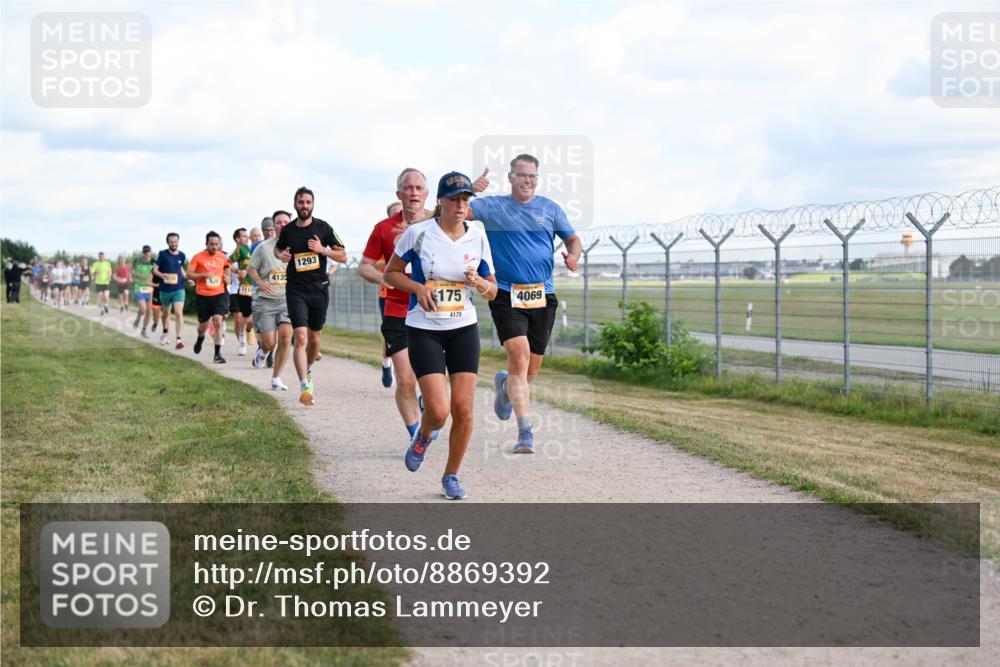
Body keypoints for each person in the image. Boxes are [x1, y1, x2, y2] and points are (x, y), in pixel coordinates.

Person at [384, 171, 497, 500]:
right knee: (438, 410)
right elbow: (390, 273)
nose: (461, 206)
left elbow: (492, 291)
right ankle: (423, 436)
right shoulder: (419, 234)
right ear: (441, 202)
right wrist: (417, 287)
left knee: (464, 409)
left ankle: (451, 476)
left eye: (465, 200)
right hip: (424, 330)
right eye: (454, 199)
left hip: (464, 327)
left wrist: (480, 283)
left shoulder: (477, 236)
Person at [469, 154, 583, 454]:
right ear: (511, 177)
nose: (528, 181)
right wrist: (471, 189)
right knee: (518, 360)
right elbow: (453, 211)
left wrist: (574, 256)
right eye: (522, 175)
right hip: (506, 294)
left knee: (529, 373)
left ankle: (506, 387)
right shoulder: (493, 207)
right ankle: (525, 433)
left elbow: (573, 239)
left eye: (533, 176)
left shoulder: (550, 209)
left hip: (542, 296)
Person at [359, 172, 432, 440]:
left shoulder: (439, 223)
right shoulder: (383, 228)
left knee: (431, 379)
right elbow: (364, 266)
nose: (413, 192)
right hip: (396, 310)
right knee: (405, 379)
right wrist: (385, 278)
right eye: (407, 188)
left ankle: (430, 409)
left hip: (434, 312)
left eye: (418, 188)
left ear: (426, 193)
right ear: (398, 194)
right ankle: (417, 436)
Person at [274, 186, 346, 406]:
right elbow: (278, 249)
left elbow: (342, 255)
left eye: (307, 202)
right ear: (294, 204)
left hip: (319, 289)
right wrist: (282, 254)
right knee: (301, 337)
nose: (304, 206)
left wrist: (322, 250)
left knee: (314, 338)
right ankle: (304, 384)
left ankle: (310, 368)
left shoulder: (324, 228)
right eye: (300, 202)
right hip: (295, 289)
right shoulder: (288, 230)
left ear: (313, 204)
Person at [248, 210, 293, 389]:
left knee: (286, 338)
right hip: (265, 301)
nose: (282, 225)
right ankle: (263, 352)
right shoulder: (263, 248)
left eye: (286, 222)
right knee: (269, 342)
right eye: (279, 222)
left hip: (287, 300)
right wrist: (259, 282)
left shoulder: (297, 246)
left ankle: (276, 378)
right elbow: (251, 269)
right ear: (273, 226)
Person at [188, 231, 231, 363]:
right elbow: (189, 274)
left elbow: (227, 267)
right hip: (203, 295)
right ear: (206, 244)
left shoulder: (223, 257)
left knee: (218, 320)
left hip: (219, 294)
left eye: (216, 244)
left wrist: (227, 276)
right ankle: (200, 338)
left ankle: (217, 354)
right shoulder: (197, 257)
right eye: (211, 244)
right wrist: (203, 275)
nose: (214, 246)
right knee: (203, 326)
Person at [152, 233, 187, 349]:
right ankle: (165, 332)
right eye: (171, 242)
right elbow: (155, 270)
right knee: (166, 313)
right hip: (165, 290)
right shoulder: (162, 254)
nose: (174, 243)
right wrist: (162, 275)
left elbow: (181, 270)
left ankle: (179, 339)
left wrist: (188, 278)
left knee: (178, 312)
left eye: (175, 241)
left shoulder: (182, 255)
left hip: (179, 289)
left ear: (178, 241)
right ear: (167, 242)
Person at [229, 227, 255, 355]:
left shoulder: (252, 251)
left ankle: (248, 330)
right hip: (235, 289)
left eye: (248, 236)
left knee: (250, 319)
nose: (247, 238)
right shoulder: (234, 253)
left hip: (250, 289)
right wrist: (237, 271)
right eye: (244, 236)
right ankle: (241, 340)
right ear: (237, 239)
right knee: (238, 317)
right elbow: (225, 264)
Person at [131, 246, 156, 338]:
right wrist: (139, 275)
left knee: (149, 311)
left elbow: (157, 272)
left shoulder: (154, 262)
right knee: (143, 309)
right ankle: (138, 318)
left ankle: (144, 330)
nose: (146, 253)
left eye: (148, 251)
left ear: (151, 252)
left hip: (149, 288)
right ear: (142, 252)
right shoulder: (137, 261)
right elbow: (132, 272)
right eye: (145, 252)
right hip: (139, 287)